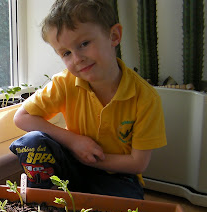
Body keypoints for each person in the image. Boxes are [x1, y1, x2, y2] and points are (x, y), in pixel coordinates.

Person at [9, 0, 167, 200]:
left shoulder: (145, 98)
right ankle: (44, 204)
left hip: (117, 178)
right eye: (66, 53)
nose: (77, 59)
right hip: (70, 168)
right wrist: (73, 142)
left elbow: (138, 163)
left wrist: (90, 160)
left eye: (84, 44)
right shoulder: (65, 82)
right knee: (33, 143)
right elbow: (22, 117)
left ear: (114, 36)